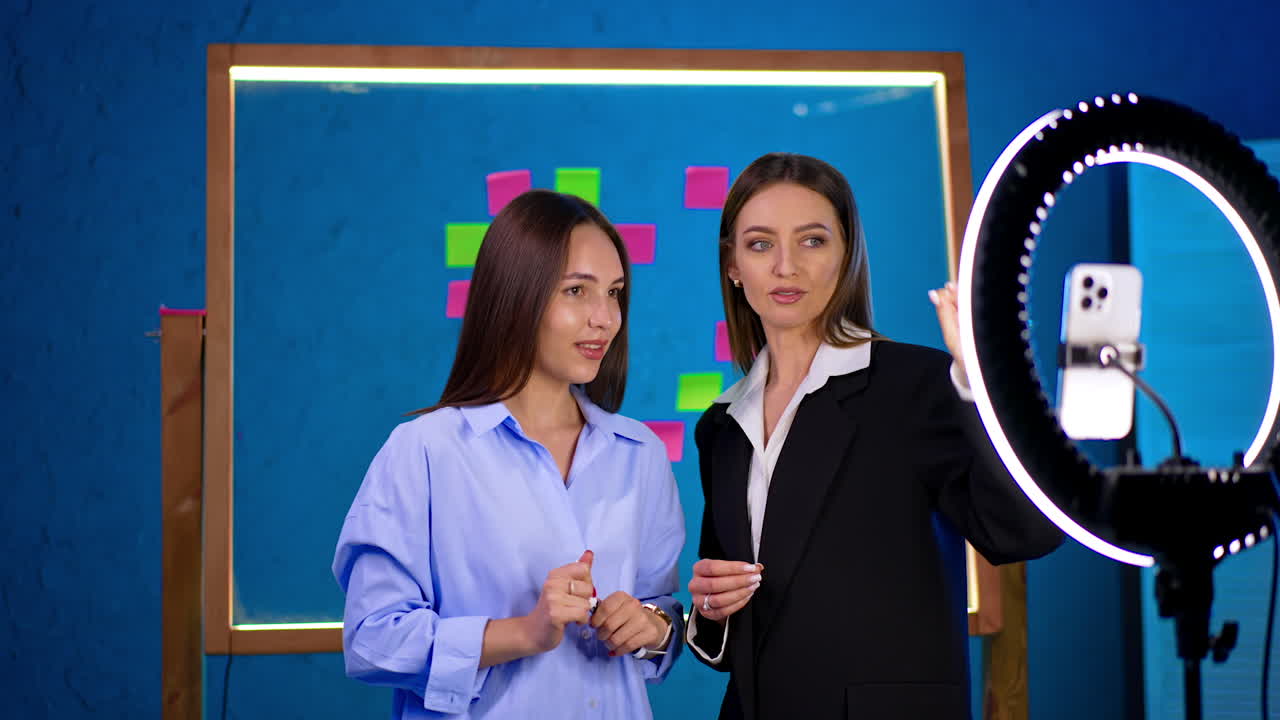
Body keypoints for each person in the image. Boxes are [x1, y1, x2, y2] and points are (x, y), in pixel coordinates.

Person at [684, 153, 1063, 719]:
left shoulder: (925, 385)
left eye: (812, 241)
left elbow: (1024, 534)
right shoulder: (722, 424)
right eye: (760, 244)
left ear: (847, 256)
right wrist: (711, 610)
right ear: (733, 265)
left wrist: (982, 385)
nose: (785, 266)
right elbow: (733, 629)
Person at [333, 189, 685, 719]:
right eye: (576, 291)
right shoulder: (425, 451)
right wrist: (524, 632)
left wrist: (652, 628)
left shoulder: (639, 454)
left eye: (614, 293)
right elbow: (372, 639)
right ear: (516, 297)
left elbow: (660, 608)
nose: (605, 318)